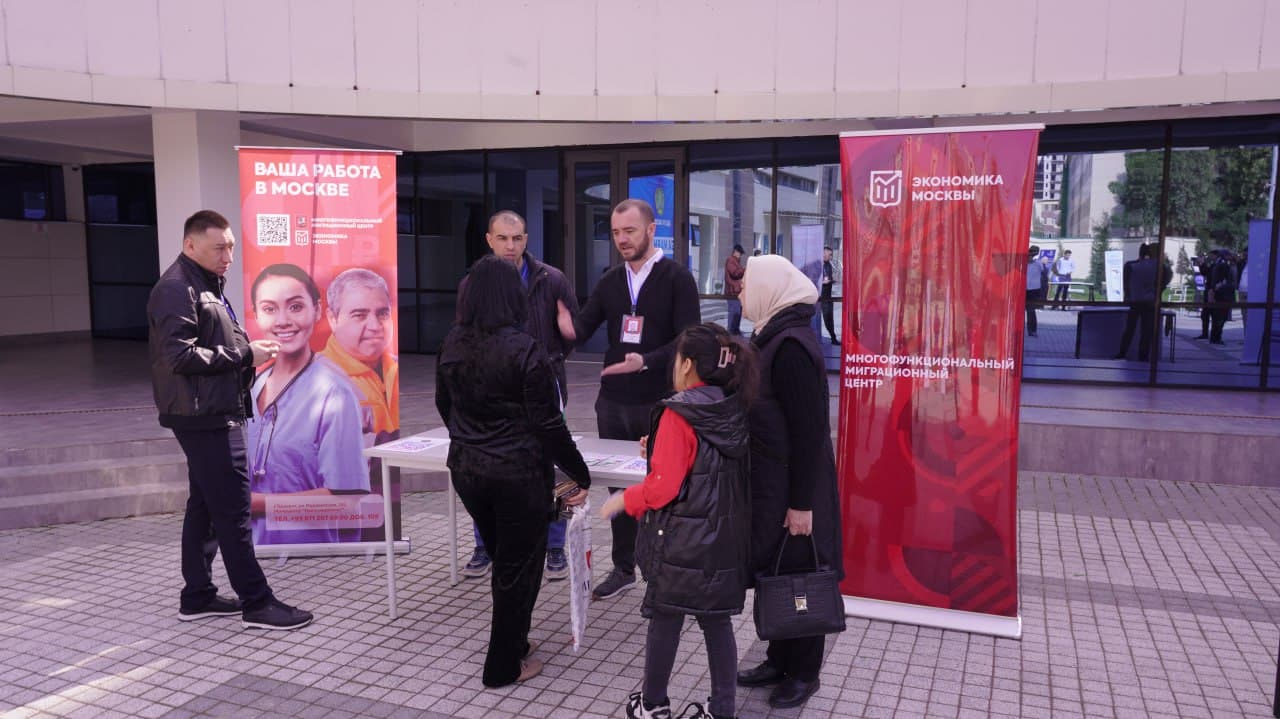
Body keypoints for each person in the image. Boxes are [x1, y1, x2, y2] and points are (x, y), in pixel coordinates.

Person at [146, 209, 313, 631]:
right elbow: (178, 355)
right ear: (190, 245)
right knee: (233, 510)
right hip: (205, 416)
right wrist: (244, 355)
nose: (229, 257)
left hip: (210, 410)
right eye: (219, 248)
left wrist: (246, 351)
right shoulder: (176, 288)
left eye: (232, 247)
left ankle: (197, 596)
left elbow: (205, 343)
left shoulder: (203, 284)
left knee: (205, 505)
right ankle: (257, 603)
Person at [435, 255, 591, 688]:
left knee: (508, 560)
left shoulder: (451, 343)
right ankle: (502, 666)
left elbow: (445, 406)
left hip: (468, 471)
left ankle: (516, 642)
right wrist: (578, 473)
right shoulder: (525, 349)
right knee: (517, 569)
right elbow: (548, 424)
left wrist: (472, 438)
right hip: (517, 476)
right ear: (513, 298)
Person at [600, 323, 756, 719]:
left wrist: (624, 500)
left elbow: (663, 488)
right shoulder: (732, 405)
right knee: (717, 624)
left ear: (687, 365)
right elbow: (704, 461)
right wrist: (657, 449)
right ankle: (722, 708)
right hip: (723, 536)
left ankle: (653, 704)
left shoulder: (678, 412)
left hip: (681, 539)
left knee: (665, 617)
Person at [573, 198, 701, 601]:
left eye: (629, 231)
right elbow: (582, 326)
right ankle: (624, 567)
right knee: (618, 490)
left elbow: (689, 338)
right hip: (613, 402)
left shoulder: (677, 278)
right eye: (615, 232)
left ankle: (665, 571)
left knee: (664, 486)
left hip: (660, 403)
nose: (622, 239)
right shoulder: (610, 280)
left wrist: (646, 360)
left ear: (650, 230)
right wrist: (560, 324)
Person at [734, 255, 842, 710]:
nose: (739, 291)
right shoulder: (771, 336)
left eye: (745, 284)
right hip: (775, 483)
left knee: (801, 575)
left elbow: (809, 431)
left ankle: (804, 672)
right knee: (779, 571)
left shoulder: (792, 346)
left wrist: (801, 503)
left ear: (769, 288)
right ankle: (779, 659)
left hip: (797, 487)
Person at [461, 210, 580, 581]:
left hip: (544, 389)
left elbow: (569, 332)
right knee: (487, 467)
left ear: (526, 240)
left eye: (517, 238)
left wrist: (550, 359)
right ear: (489, 240)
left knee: (552, 465)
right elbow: (465, 336)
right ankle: (485, 545)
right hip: (493, 393)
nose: (510, 246)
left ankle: (555, 546)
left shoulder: (551, 279)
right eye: (502, 238)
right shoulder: (473, 284)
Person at [245, 263, 369, 545]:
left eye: (295, 307)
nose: (283, 320)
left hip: (310, 558)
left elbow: (347, 502)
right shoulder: (252, 386)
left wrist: (255, 504)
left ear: (317, 310)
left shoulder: (334, 394)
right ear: (256, 315)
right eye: (269, 309)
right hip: (252, 552)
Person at [321, 267, 399, 446]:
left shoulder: (395, 368)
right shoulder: (316, 378)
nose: (375, 326)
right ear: (333, 319)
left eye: (382, 313)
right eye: (359, 315)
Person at [1114, 243, 1161, 361]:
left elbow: (1126, 283)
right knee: (1146, 331)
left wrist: (1127, 295)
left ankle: (1122, 352)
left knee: (1129, 329)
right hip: (1149, 301)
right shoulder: (1156, 266)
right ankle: (1143, 356)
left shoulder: (1131, 266)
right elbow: (1162, 281)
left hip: (1135, 300)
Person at [1207, 249, 1238, 345]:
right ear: (1225, 255)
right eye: (1229, 255)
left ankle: (1214, 337)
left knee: (1217, 317)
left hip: (1219, 294)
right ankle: (1216, 337)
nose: (1231, 256)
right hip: (1224, 295)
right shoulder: (1224, 265)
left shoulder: (1218, 264)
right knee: (1221, 318)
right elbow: (1226, 280)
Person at [723, 244, 746, 336]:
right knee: (734, 311)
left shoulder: (736, 261)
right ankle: (731, 331)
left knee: (738, 312)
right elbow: (735, 273)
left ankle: (735, 330)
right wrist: (744, 269)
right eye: (740, 253)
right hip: (732, 291)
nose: (740, 255)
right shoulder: (730, 260)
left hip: (737, 291)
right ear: (735, 252)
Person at [819, 246, 839, 344]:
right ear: (824, 253)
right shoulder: (818, 264)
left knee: (829, 318)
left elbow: (828, 278)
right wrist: (823, 282)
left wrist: (832, 280)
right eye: (830, 254)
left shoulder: (828, 265)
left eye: (831, 255)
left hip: (827, 296)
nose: (831, 257)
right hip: (819, 296)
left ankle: (833, 338)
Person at [1025, 246, 1042, 338]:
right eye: (1028, 256)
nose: (1029, 258)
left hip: (1033, 290)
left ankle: (1032, 330)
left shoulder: (1038, 264)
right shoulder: (1023, 264)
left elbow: (1044, 270)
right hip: (1023, 290)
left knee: (1031, 311)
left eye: (1031, 256)